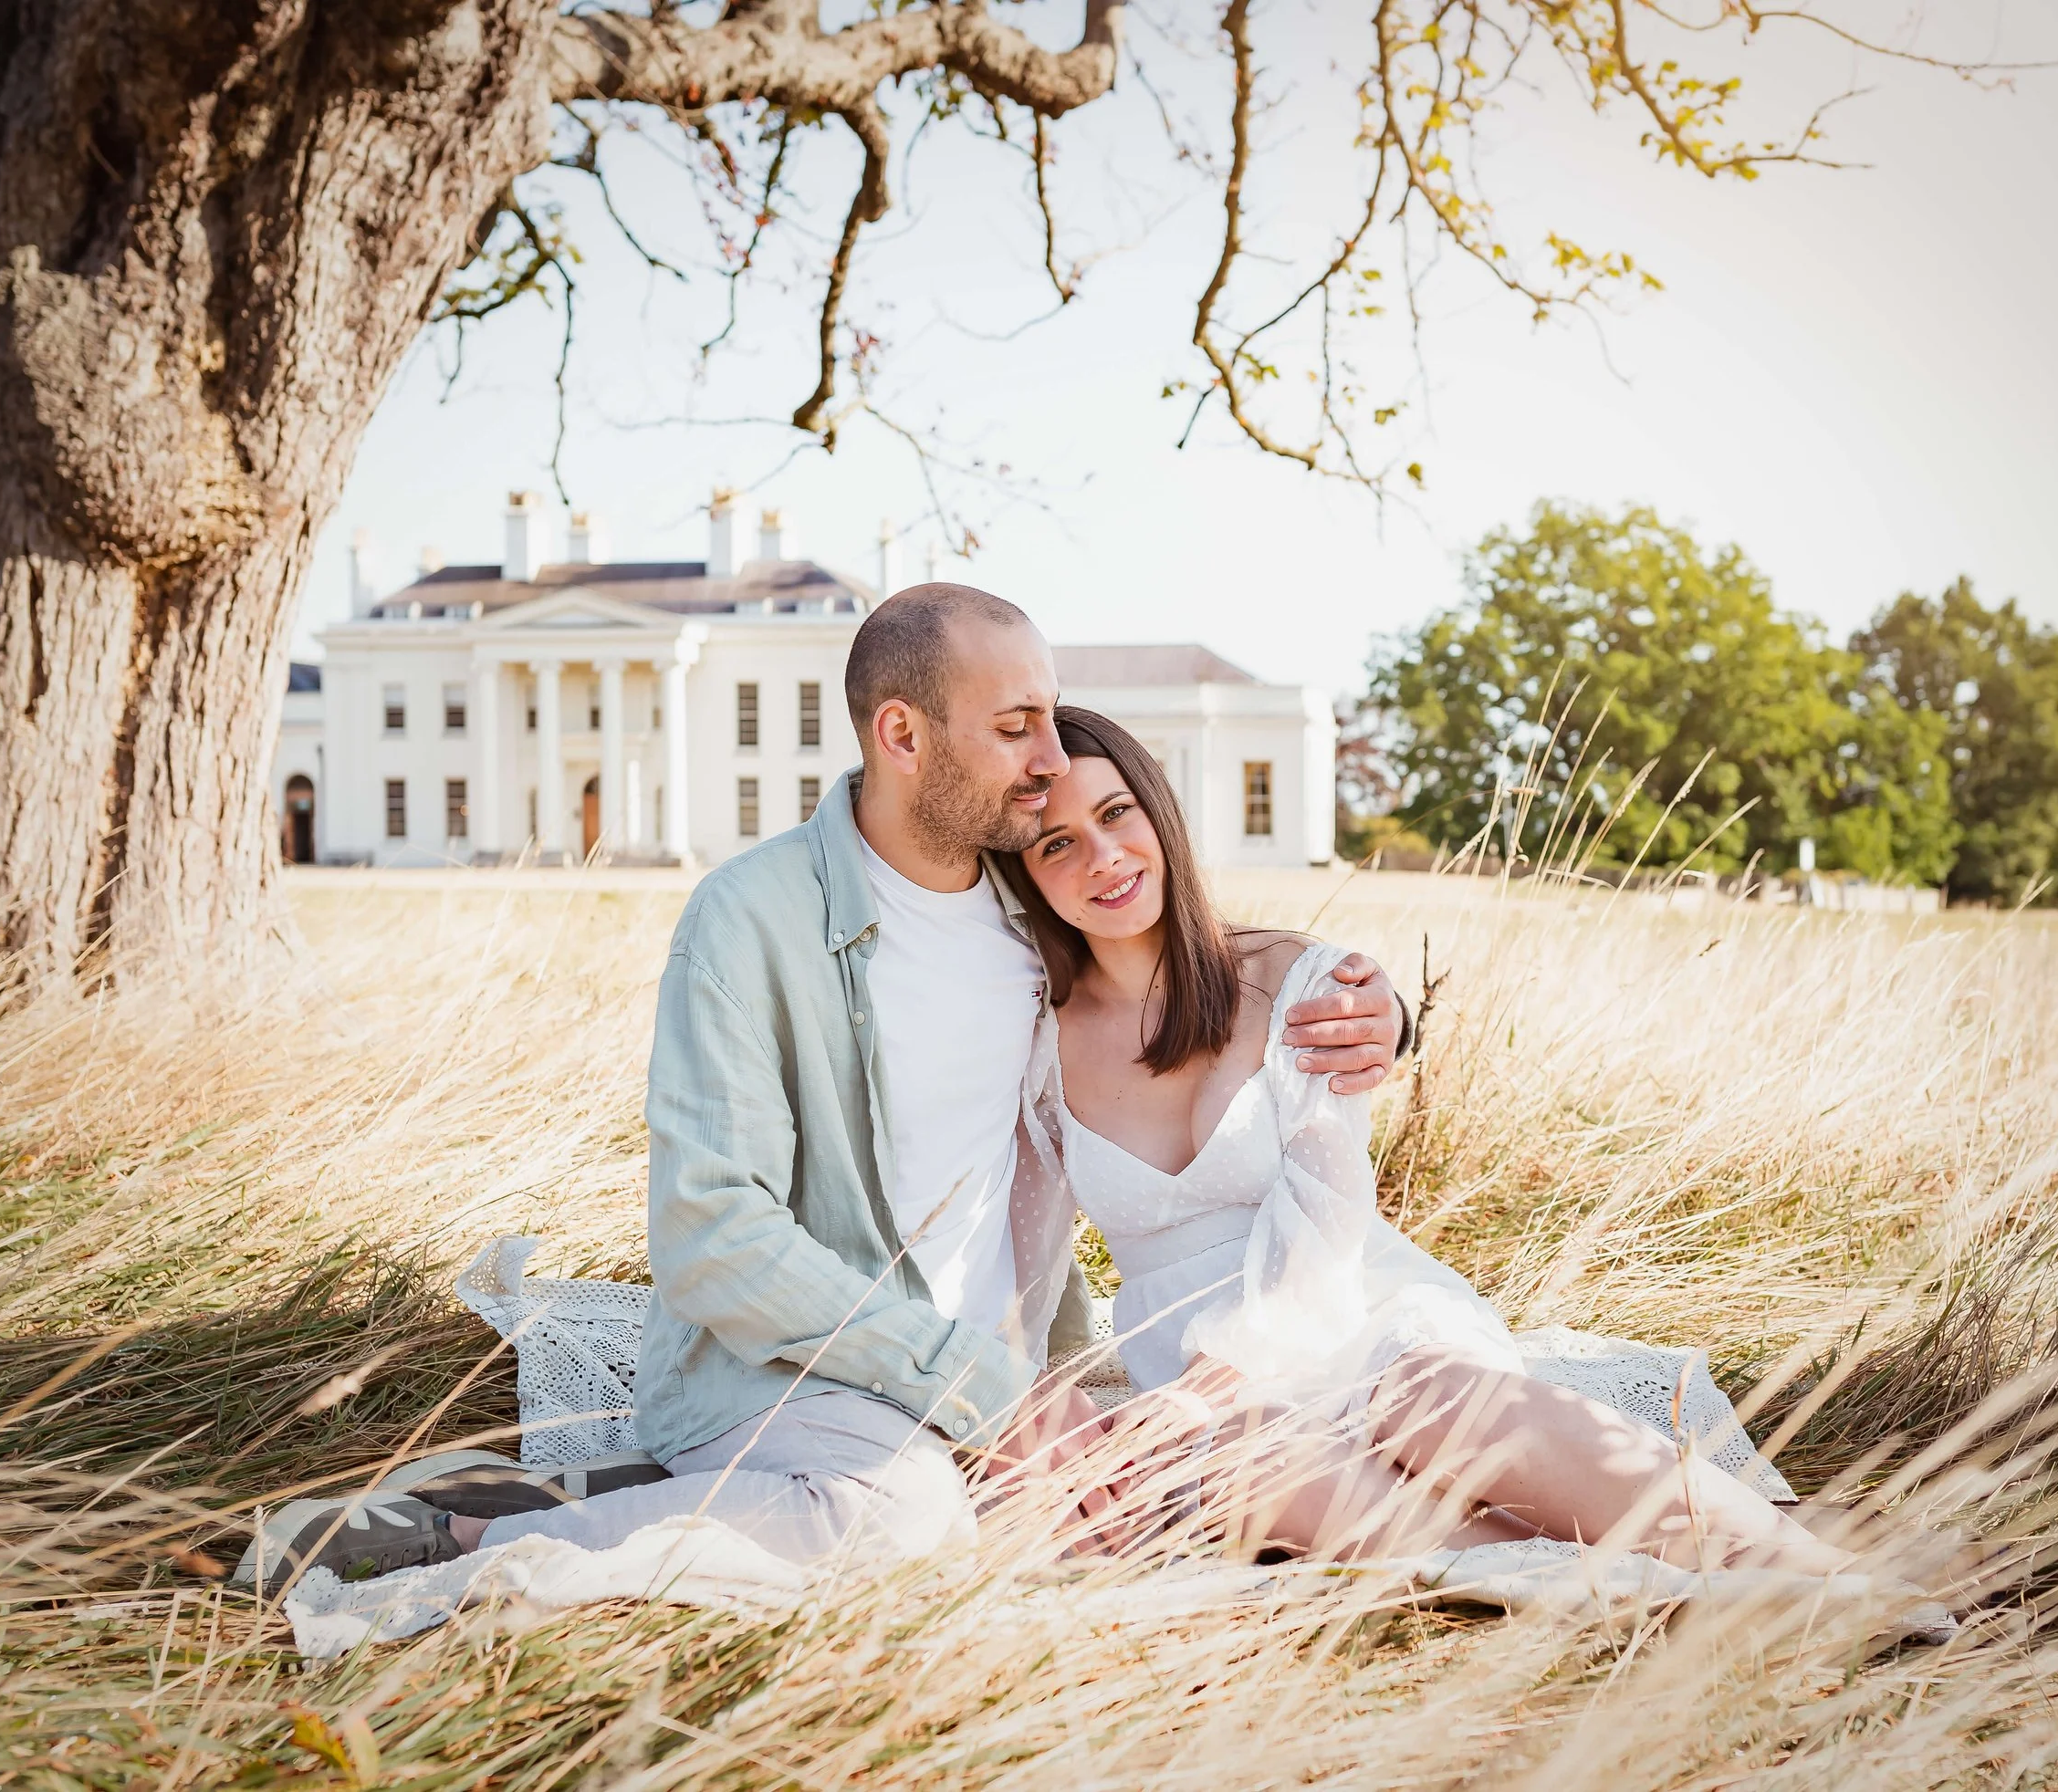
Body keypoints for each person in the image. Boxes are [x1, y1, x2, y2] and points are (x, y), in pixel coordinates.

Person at [238, 588, 1406, 1595]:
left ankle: (658, 1497)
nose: (1051, 760)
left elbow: (1187, 957)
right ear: (903, 733)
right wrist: (986, 1390)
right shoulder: (751, 919)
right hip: (804, 1363)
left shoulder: (1028, 897)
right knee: (898, 1522)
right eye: (1016, 726)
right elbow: (710, 1239)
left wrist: (1380, 1005)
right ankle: (468, 1533)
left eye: (1050, 720)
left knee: (1196, 1497)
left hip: (992, 1376)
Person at [1005, 705, 1856, 1577]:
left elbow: (1326, 1226)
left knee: (1436, 1402)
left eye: (1115, 815)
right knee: (1256, 1465)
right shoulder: (1040, 1050)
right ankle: (1605, 1580)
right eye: (1056, 845)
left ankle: (1808, 1571)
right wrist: (1036, 1400)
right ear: (1031, 878)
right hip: (1207, 1394)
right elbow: (1020, 1266)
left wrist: (1199, 1395)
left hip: (1354, 1311)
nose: (1102, 857)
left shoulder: (1296, 980)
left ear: (1158, 812)